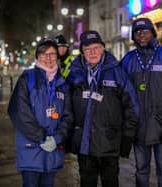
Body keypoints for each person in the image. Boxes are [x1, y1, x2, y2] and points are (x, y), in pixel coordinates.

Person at [55, 30, 139, 187]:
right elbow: (65, 107)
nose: (92, 52)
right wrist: (65, 135)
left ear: (103, 48)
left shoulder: (117, 72)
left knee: (110, 182)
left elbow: (132, 106)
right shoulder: (73, 73)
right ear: (82, 52)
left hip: (110, 141)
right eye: (87, 49)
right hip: (84, 144)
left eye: (96, 47)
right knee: (87, 182)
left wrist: (128, 135)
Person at [121, 18, 162, 187]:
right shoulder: (128, 60)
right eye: (137, 32)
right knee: (141, 169)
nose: (142, 35)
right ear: (133, 36)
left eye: (145, 31)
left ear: (153, 33)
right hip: (139, 126)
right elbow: (120, 91)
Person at [8, 38, 65, 187]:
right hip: (31, 149)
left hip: (52, 151)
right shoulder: (27, 79)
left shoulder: (62, 83)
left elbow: (68, 115)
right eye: (43, 54)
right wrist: (41, 137)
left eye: (52, 54)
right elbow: (18, 112)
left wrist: (57, 138)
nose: (48, 58)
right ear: (37, 57)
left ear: (57, 57)